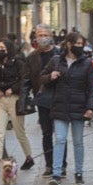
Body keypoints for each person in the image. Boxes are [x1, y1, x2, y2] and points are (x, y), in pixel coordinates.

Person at [45, 31, 93, 185]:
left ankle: (79, 173)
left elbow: (92, 87)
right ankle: (56, 174)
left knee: (78, 141)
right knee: (60, 139)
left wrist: (91, 107)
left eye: (82, 44)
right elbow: (42, 77)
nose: (80, 47)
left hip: (79, 107)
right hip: (60, 105)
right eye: (77, 44)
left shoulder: (86, 63)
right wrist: (50, 76)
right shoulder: (56, 60)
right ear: (69, 44)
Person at [0, 37, 35, 173]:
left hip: (15, 100)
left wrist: (12, 89)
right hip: (1, 101)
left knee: (19, 132)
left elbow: (24, 80)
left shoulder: (18, 63)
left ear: (9, 49)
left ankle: (29, 157)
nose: (0, 50)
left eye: (3, 48)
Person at [24, 24, 60, 176]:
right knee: (46, 133)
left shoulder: (59, 53)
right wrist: (24, 99)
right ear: (35, 37)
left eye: (46, 35)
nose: (43, 38)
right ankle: (49, 165)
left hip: (59, 98)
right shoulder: (32, 57)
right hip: (42, 99)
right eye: (40, 35)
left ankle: (61, 164)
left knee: (60, 134)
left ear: (51, 37)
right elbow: (26, 79)